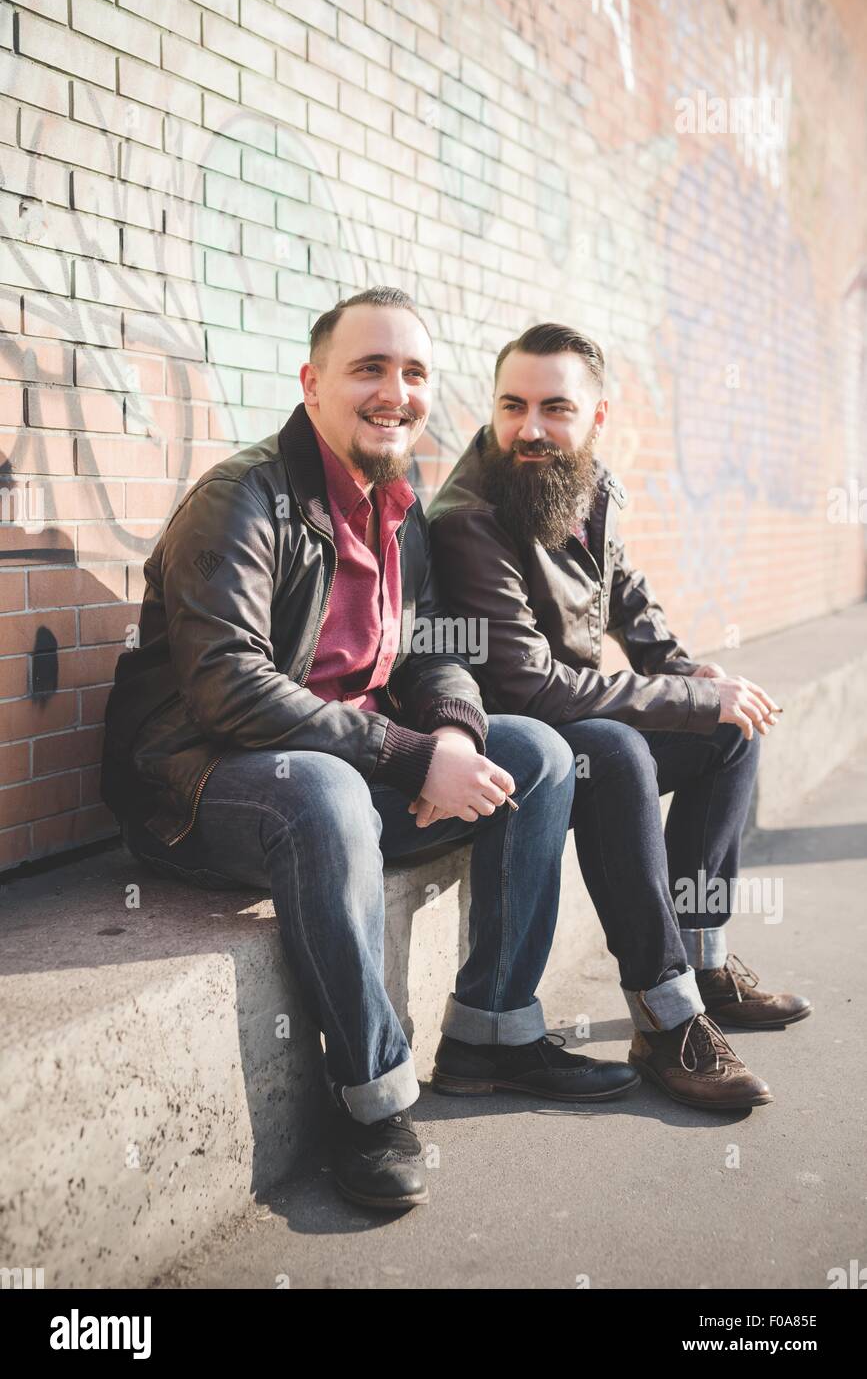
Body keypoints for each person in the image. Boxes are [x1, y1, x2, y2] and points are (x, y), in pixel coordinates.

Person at [100, 292, 638, 1214]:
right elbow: (227, 685)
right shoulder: (242, 500)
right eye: (369, 369)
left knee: (539, 752)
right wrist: (402, 754)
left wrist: (457, 735)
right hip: (200, 785)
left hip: (344, 764)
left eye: (414, 373)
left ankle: (491, 1034)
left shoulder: (398, 506)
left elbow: (434, 652)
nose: (395, 391)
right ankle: (372, 1098)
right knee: (324, 792)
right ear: (312, 385)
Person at [427, 322, 811, 1112]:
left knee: (729, 732)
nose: (529, 428)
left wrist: (694, 676)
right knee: (616, 753)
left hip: (571, 718)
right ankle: (667, 1016)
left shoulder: (585, 485)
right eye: (512, 405)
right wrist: (692, 696)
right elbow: (528, 688)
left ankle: (704, 960)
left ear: (595, 418)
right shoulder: (471, 515)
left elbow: (632, 607)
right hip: (511, 743)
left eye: (554, 408)